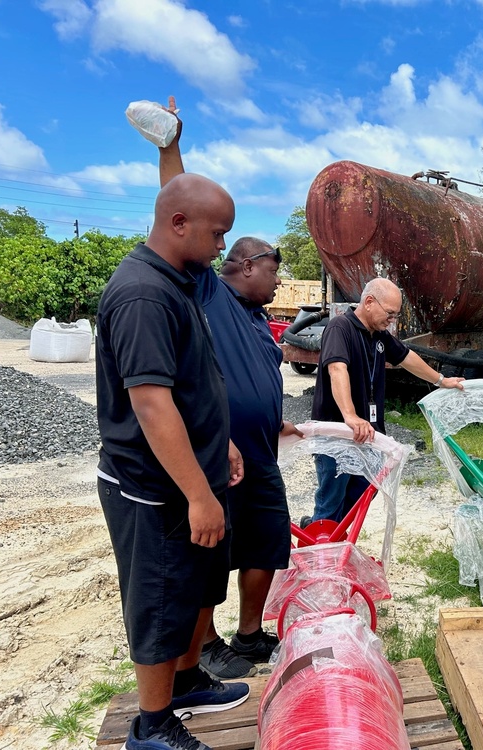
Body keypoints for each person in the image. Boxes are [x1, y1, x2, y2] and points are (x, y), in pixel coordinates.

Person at [96, 172, 250, 750]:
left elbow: (191, 385)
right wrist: (199, 495)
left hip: (189, 474)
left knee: (191, 588)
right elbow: (152, 405)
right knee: (160, 599)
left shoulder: (180, 279)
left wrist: (221, 443)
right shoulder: (142, 293)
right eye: (217, 234)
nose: (220, 248)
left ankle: (184, 683)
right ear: (177, 224)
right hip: (153, 488)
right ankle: (153, 726)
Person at [153, 98, 302, 681]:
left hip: (260, 456)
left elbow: (256, 382)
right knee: (210, 557)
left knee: (267, 546)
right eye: (274, 269)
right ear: (243, 264)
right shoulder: (207, 292)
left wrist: (278, 422)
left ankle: (248, 635)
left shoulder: (260, 324)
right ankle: (206, 644)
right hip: (220, 459)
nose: (280, 280)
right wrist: (170, 148)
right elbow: (182, 209)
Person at [304, 278, 465, 525]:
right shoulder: (340, 328)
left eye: (395, 315)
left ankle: (337, 542)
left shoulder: (378, 335)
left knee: (361, 496)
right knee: (331, 499)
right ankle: (319, 549)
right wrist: (350, 415)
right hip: (338, 434)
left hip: (369, 436)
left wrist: (441, 380)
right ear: (369, 302)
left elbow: (407, 357)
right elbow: (337, 369)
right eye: (389, 313)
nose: (392, 320)